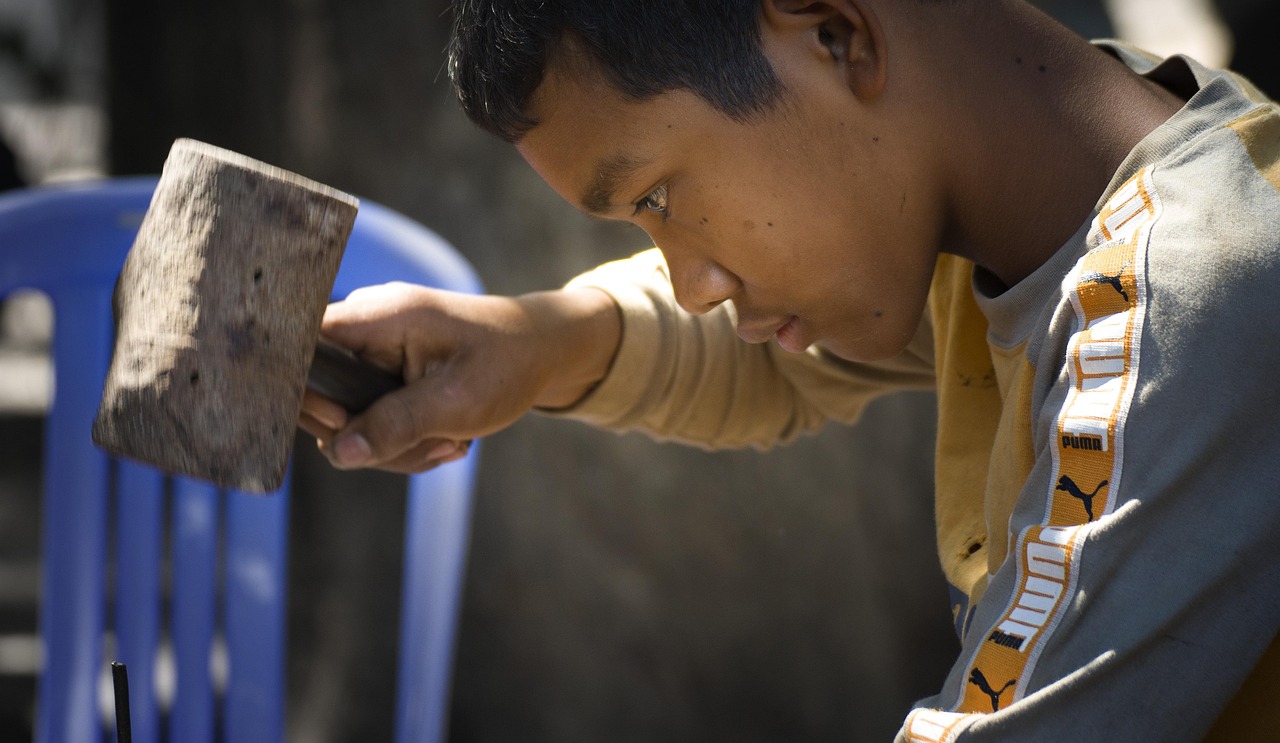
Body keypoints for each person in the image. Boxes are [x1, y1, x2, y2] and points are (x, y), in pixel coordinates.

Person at [298, 0, 1280, 739]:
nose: (688, 281)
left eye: (660, 194)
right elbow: (770, 362)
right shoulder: (1046, 195)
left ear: (834, 33)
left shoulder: (1190, 297)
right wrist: (537, 343)